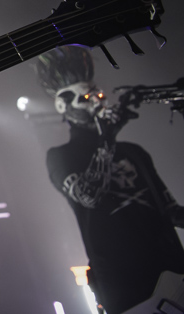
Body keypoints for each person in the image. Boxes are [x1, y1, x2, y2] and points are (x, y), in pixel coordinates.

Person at [36, 46, 184, 314]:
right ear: (63, 105)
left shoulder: (134, 152)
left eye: (96, 94)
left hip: (173, 272)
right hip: (125, 287)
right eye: (84, 98)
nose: (95, 103)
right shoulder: (60, 157)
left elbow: (170, 210)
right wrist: (107, 139)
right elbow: (89, 195)